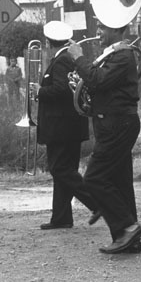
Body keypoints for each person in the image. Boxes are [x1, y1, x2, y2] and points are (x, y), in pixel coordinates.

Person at [67, 11, 141, 254]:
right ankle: (128, 239)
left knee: (94, 178)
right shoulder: (114, 54)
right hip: (112, 122)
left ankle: (128, 227)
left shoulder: (122, 55)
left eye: (102, 27)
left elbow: (97, 80)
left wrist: (79, 59)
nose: (98, 32)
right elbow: (99, 84)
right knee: (119, 181)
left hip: (117, 124)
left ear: (116, 30)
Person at [35, 21, 100, 231]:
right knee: (64, 170)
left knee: (60, 169)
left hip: (62, 126)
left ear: (48, 42)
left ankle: (97, 203)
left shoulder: (62, 59)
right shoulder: (66, 57)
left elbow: (62, 90)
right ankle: (61, 217)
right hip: (67, 126)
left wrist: (39, 92)